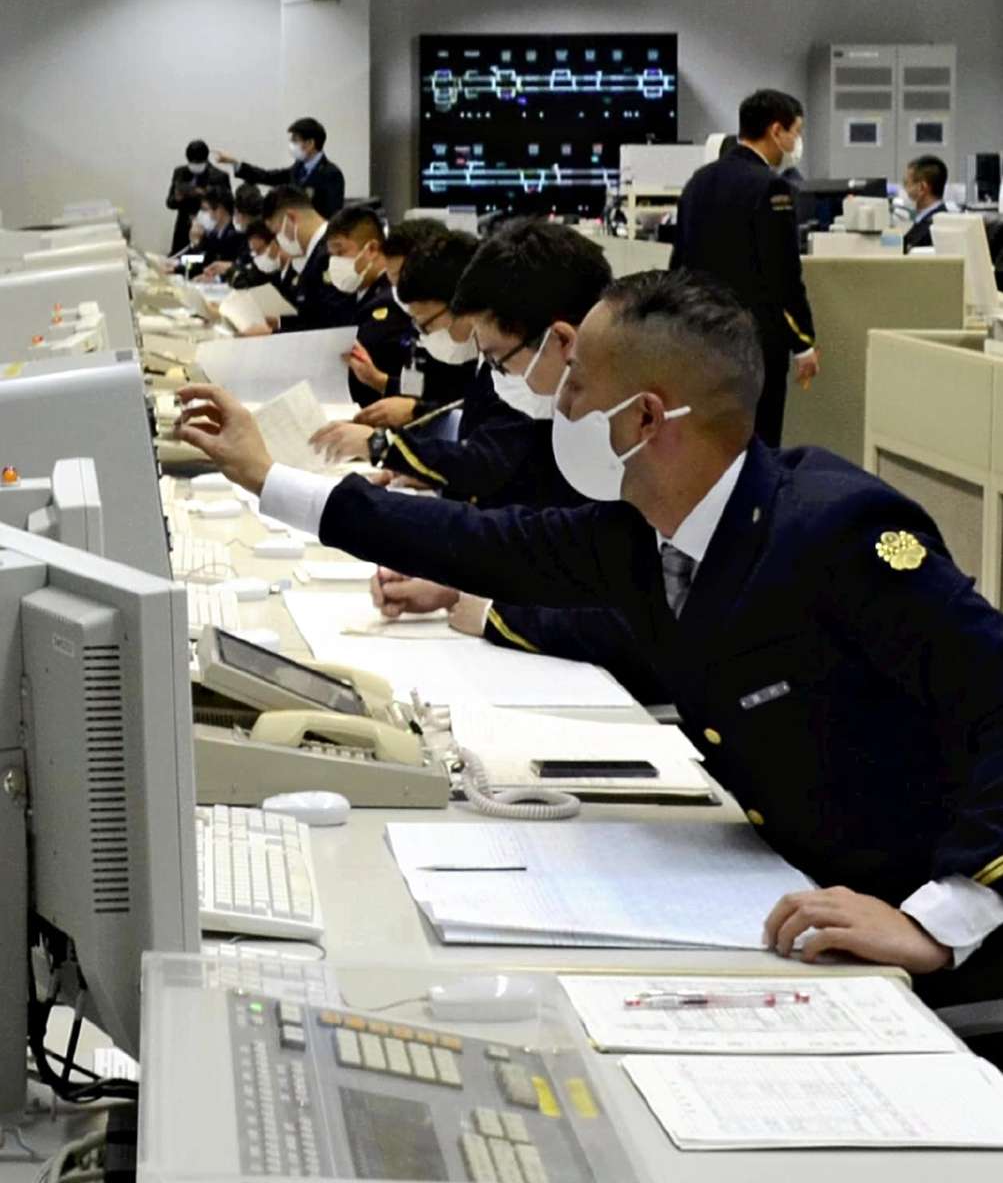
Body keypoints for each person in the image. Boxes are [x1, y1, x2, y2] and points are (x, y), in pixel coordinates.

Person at [177, 268, 1003, 1030]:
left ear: (647, 416)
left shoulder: (835, 531)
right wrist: (265, 477)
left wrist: (936, 920)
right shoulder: (647, 533)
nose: (559, 407)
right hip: (785, 889)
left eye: (578, 386)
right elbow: (476, 541)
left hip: (912, 933)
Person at [311, 219, 609, 511]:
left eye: (499, 360)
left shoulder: (555, 398)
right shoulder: (519, 364)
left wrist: (384, 446)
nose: (496, 369)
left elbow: (489, 466)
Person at [672, 89, 819, 447]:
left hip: (701, 333)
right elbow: (782, 275)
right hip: (755, 340)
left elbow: (680, 261)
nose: (796, 142)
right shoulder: (772, 188)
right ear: (775, 131)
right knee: (759, 442)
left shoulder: (699, 181)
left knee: (708, 441)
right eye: (795, 132)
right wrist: (803, 342)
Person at [349, 230, 481, 429]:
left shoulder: (509, 360)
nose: (425, 335)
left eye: (426, 324)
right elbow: (442, 393)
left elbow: (483, 432)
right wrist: (379, 381)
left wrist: (418, 412)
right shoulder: (472, 352)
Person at [321, 206, 413, 406]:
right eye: (331, 254)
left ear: (371, 249)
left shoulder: (392, 300)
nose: (335, 261)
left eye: (341, 251)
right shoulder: (349, 296)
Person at [251, 186, 351, 334]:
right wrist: (280, 322)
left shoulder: (331, 251)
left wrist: (273, 334)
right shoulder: (314, 252)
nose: (279, 240)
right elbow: (312, 316)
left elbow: (330, 325)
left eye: (277, 232)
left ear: (291, 219)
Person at [215, 117, 345, 219]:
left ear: (310, 143)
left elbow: (332, 214)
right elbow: (268, 176)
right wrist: (235, 163)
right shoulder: (298, 168)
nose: (292, 145)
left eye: (295, 140)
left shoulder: (331, 173)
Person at [165, 139, 230, 255]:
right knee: (177, 260)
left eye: (198, 162)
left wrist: (202, 193)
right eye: (192, 162)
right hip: (183, 230)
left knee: (197, 262)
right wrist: (177, 198)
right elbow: (169, 203)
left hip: (207, 230)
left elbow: (226, 205)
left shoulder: (219, 176)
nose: (194, 165)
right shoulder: (180, 173)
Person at [190, 187, 246, 275]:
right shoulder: (212, 234)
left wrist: (196, 245)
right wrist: (176, 264)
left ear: (219, 210)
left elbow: (204, 266)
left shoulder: (236, 236)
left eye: (205, 209)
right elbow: (200, 260)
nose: (201, 215)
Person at [902, 155, 949, 253]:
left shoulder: (933, 227)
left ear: (922, 188)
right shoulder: (926, 220)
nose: (904, 190)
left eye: (906, 184)